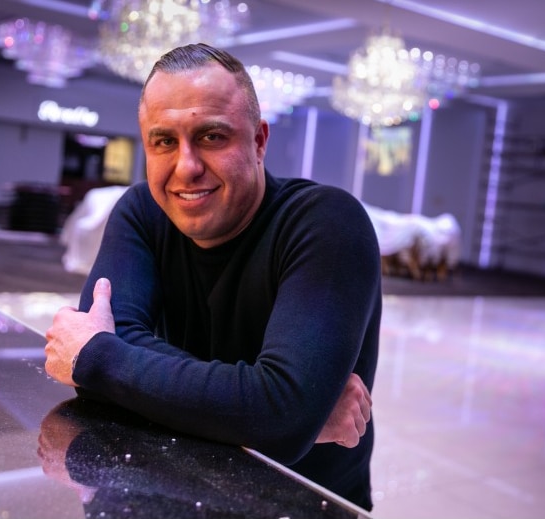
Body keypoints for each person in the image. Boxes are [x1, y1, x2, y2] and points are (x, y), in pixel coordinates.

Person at [44, 42, 382, 510]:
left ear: (259, 141)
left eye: (212, 136)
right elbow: (280, 416)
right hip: (172, 490)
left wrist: (102, 358)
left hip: (299, 502)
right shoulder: (143, 212)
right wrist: (281, 410)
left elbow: (280, 418)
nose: (187, 166)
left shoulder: (327, 223)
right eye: (164, 141)